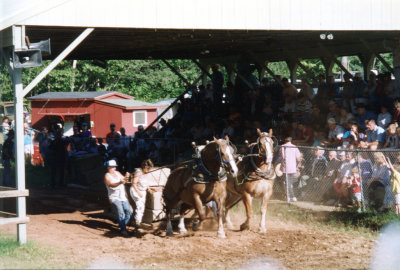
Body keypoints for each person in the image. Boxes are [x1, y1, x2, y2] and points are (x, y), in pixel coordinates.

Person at [104, 159, 132, 236]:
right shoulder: (107, 176)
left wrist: (127, 176)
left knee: (129, 211)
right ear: (108, 167)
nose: (114, 168)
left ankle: (122, 225)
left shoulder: (117, 173)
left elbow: (124, 180)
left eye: (115, 167)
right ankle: (123, 230)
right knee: (121, 213)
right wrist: (120, 182)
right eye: (112, 167)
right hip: (114, 197)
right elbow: (111, 185)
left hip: (122, 196)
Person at [129, 159, 156, 228]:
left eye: (149, 168)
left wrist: (149, 189)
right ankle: (137, 222)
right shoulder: (138, 173)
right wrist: (138, 192)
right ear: (144, 166)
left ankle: (138, 221)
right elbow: (133, 183)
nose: (148, 170)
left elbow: (146, 183)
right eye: (147, 168)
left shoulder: (147, 173)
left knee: (142, 207)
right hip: (135, 190)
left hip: (142, 191)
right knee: (140, 206)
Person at [279, 137, 302, 202]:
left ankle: (291, 196)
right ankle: (290, 196)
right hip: (292, 167)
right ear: (291, 141)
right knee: (289, 183)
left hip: (285, 167)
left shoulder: (282, 147)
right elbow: (298, 158)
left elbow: (282, 156)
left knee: (287, 183)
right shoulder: (295, 147)